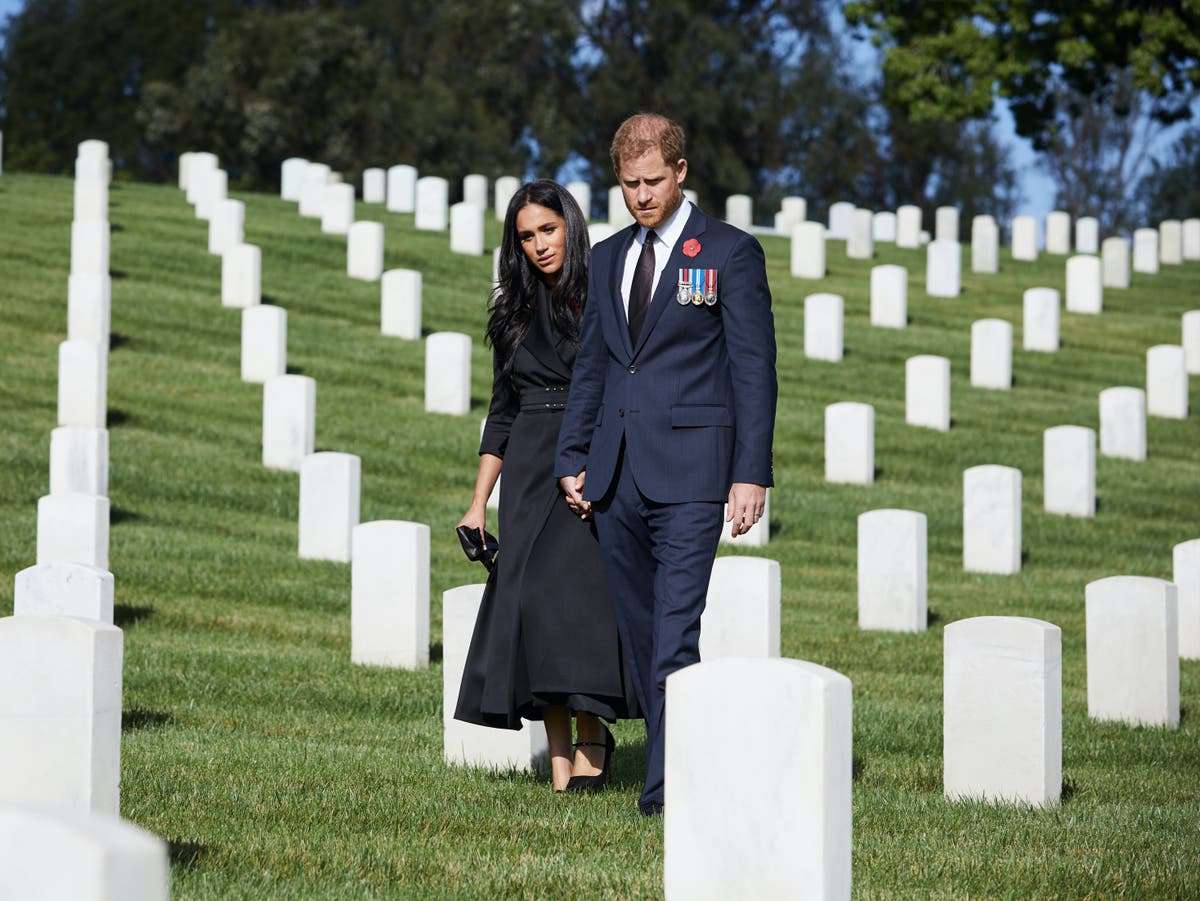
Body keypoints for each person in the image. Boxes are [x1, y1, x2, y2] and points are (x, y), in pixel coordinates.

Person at [555, 114, 777, 816]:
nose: (642, 195)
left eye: (653, 181)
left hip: (692, 474)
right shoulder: (613, 254)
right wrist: (573, 454)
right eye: (629, 184)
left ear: (681, 172)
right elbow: (593, 364)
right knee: (644, 633)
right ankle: (687, 761)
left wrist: (752, 472)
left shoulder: (731, 253)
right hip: (615, 474)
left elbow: (753, 368)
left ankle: (666, 793)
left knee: (676, 630)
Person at [455, 179, 637, 794]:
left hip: (584, 454)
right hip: (528, 466)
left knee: (573, 605)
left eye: (548, 230)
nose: (538, 245)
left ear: (571, 227)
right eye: (526, 236)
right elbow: (501, 410)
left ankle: (594, 734)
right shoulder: (512, 311)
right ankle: (561, 767)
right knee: (532, 607)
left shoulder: (603, 294)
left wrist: (597, 458)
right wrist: (479, 502)